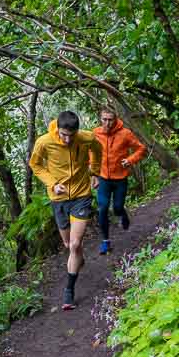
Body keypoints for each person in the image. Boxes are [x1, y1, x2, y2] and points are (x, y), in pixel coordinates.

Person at [29, 110, 102, 309]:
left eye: (71, 135)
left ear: (77, 131)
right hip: (59, 198)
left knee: (75, 244)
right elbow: (35, 165)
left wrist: (94, 171)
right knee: (68, 244)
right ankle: (78, 257)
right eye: (63, 135)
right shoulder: (44, 142)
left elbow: (97, 149)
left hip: (81, 195)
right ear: (57, 130)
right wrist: (52, 183)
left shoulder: (86, 137)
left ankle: (69, 291)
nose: (68, 139)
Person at [92, 107, 147, 254]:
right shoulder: (95, 133)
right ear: (100, 118)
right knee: (102, 208)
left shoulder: (125, 133)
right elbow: (91, 153)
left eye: (110, 119)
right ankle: (105, 242)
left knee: (117, 208)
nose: (107, 123)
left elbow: (141, 149)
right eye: (104, 119)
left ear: (115, 119)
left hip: (120, 178)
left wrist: (129, 160)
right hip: (103, 178)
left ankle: (122, 214)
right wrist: (93, 174)